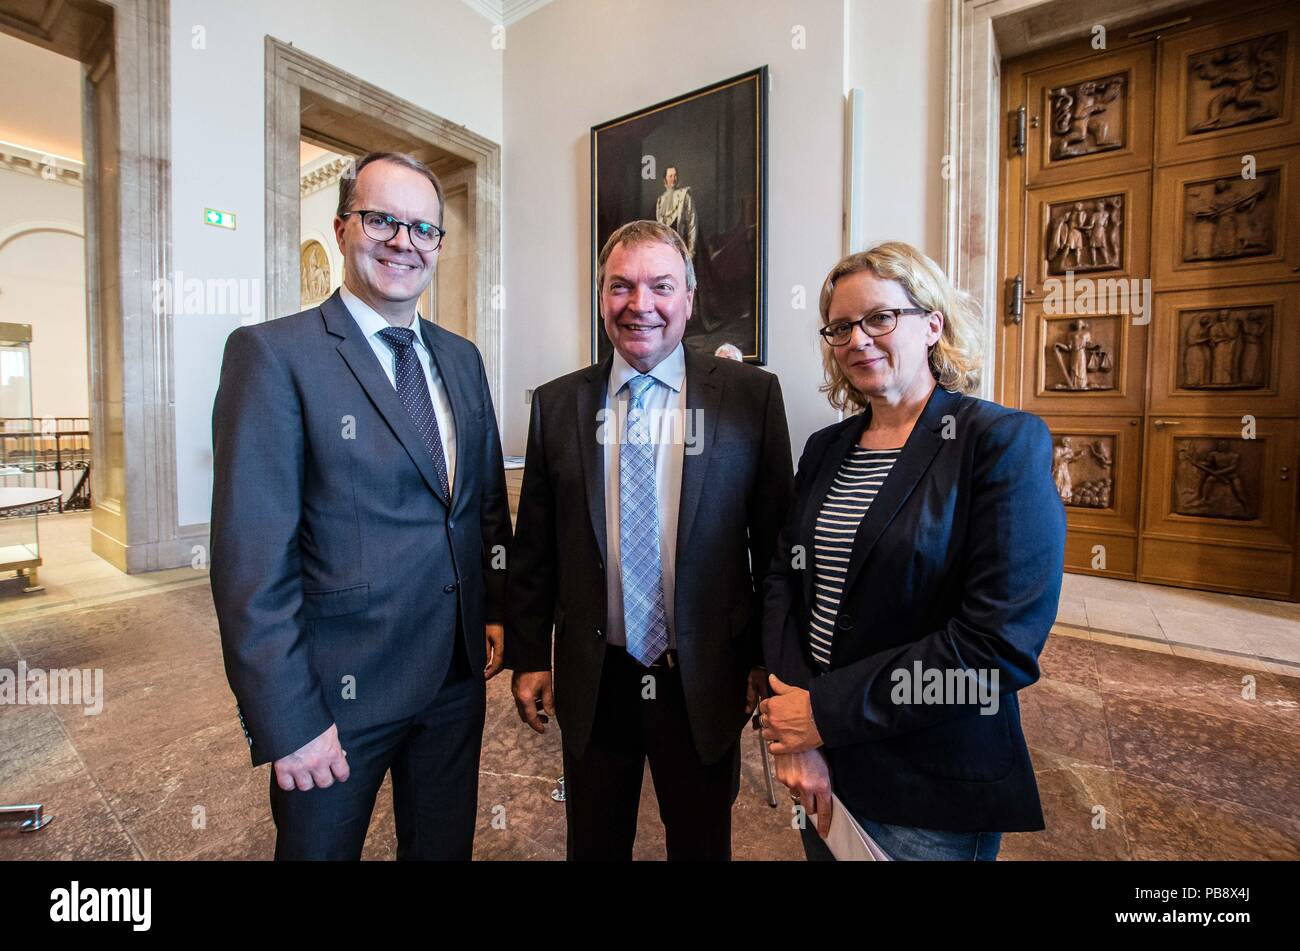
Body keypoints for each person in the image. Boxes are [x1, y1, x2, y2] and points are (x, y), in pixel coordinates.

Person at [210, 151, 512, 860]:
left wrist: (493, 608)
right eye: (382, 220)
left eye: (423, 229)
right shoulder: (274, 355)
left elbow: (482, 504)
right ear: (344, 227)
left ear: (439, 244)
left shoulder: (461, 357)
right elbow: (251, 561)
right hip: (335, 699)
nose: (403, 242)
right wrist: (286, 717)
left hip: (453, 679)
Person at [759, 241, 1065, 861]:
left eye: (879, 317)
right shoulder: (825, 447)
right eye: (841, 327)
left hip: (927, 782)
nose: (858, 339)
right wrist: (795, 729)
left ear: (932, 324)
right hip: (819, 762)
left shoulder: (999, 442)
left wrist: (824, 715)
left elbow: (998, 648)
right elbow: (783, 581)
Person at [507, 220, 793, 860]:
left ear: (689, 298)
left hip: (704, 674)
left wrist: (766, 663)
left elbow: (776, 547)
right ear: (601, 297)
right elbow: (535, 549)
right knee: (595, 842)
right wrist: (530, 655)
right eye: (621, 287)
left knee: (699, 843)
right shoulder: (557, 405)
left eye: (661, 286)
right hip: (595, 673)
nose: (641, 305)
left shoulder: (749, 398)